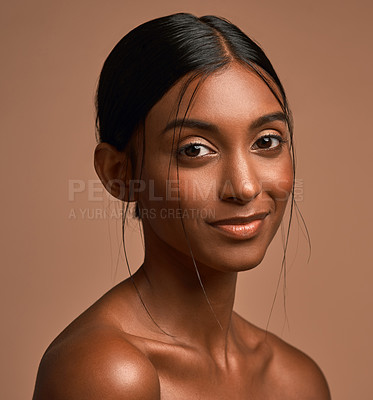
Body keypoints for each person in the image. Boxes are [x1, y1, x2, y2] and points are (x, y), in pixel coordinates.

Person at [33, 13, 331, 399]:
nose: (244, 186)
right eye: (195, 149)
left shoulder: (297, 381)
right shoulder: (109, 374)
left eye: (267, 142)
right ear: (118, 173)